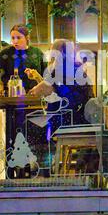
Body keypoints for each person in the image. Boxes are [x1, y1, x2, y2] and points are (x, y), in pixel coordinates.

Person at [28, 39, 95, 174]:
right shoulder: (78, 69)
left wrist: (34, 86)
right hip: (81, 118)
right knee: (39, 122)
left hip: (66, 119)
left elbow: (37, 91)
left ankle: (43, 165)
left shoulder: (58, 69)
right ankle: (48, 163)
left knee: (30, 124)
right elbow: (52, 88)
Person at [0, 24, 46, 94]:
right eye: (13, 38)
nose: (15, 41)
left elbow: (46, 74)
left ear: (27, 38)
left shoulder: (37, 53)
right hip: (11, 95)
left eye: (18, 38)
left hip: (35, 94)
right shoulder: (5, 54)